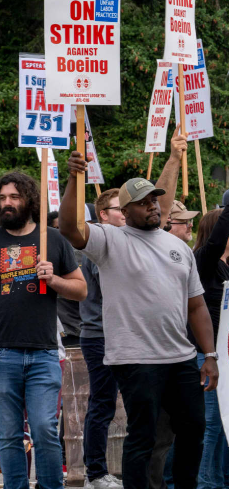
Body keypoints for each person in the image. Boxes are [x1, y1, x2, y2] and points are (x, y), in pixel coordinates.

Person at [60, 134, 219, 489]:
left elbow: (196, 305)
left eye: (154, 201)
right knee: (143, 435)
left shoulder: (178, 247)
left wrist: (209, 354)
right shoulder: (110, 241)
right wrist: (74, 178)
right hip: (135, 358)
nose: (152, 206)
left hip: (180, 357)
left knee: (193, 428)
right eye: (142, 202)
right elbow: (71, 228)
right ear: (125, 211)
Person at [0, 171, 87, 489]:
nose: (7, 203)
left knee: (44, 429)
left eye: (14, 196)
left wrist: (54, 280)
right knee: (8, 436)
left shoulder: (53, 241)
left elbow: (81, 290)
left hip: (43, 353)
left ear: (29, 200)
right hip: (2, 353)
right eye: (2, 198)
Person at [193, 192, 229, 489]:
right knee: (211, 424)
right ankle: (207, 483)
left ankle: (224, 480)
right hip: (207, 355)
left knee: (227, 424)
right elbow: (214, 244)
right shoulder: (204, 261)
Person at [80, 188, 126, 489]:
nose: (124, 212)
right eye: (117, 208)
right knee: (103, 404)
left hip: (121, 333)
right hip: (101, 335)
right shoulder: (101, 247)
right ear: (103, 215)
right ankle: (94, 473)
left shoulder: (122, 242)